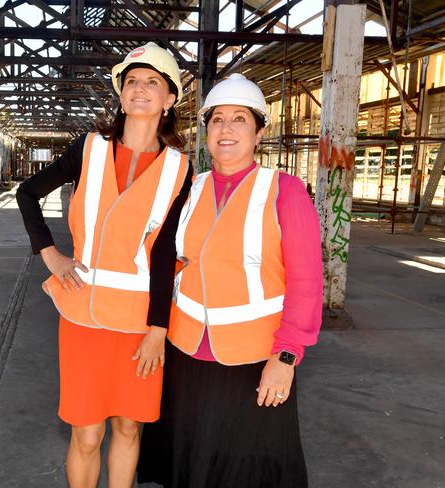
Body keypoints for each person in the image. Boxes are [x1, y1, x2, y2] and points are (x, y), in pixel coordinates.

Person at [16, 42, 192, 488]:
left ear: (169, 98)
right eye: (132, 80)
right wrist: (50, 254)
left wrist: (158, 330)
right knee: (88, 433)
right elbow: (27, 194)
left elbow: (165, 254)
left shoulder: (178, 169)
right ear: (120, 92)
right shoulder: (90, 149)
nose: (140, 89)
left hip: (137, 324)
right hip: (83, 316)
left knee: (130, 427)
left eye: (153, 82)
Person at [137, 73, 323, 488]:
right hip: (186, 352)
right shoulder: (190, 189)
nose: (226, 129)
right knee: (192, 460)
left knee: (247, 466)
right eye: (217, 119)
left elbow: (307, 282)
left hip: (255, 356)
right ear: (206, 131)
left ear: (258, 133)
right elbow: (167, 259)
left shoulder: (285, 191)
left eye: (240, 119)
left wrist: (287, 357)